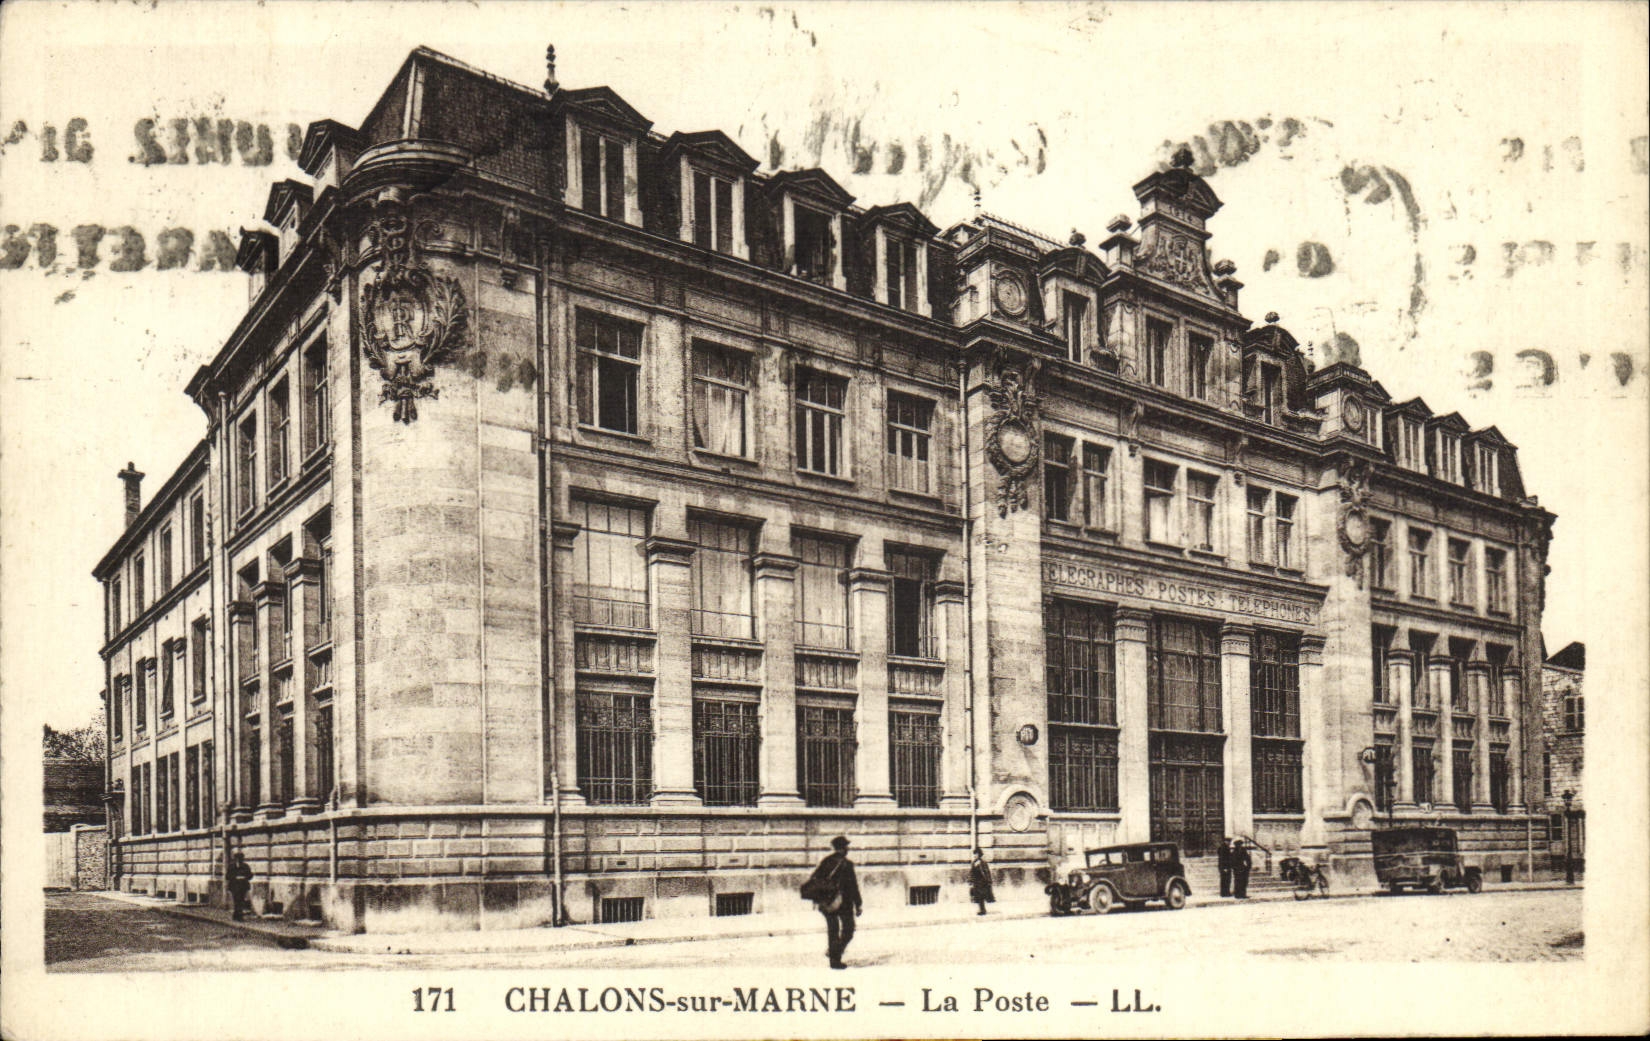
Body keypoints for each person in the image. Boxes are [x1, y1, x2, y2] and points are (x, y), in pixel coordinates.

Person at [804, 835, 862, 969]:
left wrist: (819, 898)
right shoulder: (846, 864)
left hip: (827, 902)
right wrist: (858, 904)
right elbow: (853, 886)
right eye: (846, 846)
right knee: (848, 930)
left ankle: (834, 959)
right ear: (842, 848)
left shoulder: (826, 861)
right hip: (844, 903)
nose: (847, 849)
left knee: (833, 930)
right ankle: (835, 954)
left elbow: (815, 880)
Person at [227, 851, 254, 921]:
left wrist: (244, 877)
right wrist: (235, 877)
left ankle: (236, 915)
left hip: (243, 886)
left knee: (241, 900)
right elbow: (227, 876)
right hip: (234, 886)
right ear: (235, 859)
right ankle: (239, 916)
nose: (239, 860)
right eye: (237, 858)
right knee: (237, 900)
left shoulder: (245, 866)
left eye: (241, 858)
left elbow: (250, 875)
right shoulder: (231, 867)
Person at [967, 848, 995, 915]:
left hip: (982, 882)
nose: (975, 855)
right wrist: (970, 880)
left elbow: (987, 872)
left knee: (981, 897)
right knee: (977, 897)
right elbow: (971, 872)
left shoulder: (983, 863)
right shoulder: (974, 863)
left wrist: (989, 881)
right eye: (974, 854)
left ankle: (982, 910)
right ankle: (981, 909)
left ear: (979, 855)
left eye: (976, 854)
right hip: (976, 882)